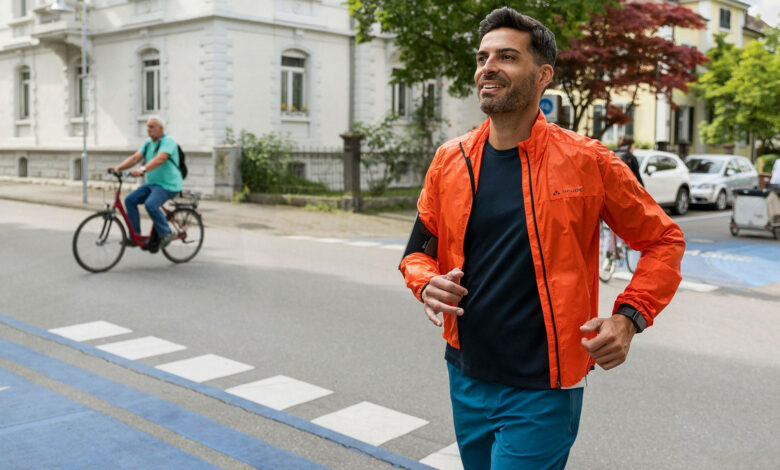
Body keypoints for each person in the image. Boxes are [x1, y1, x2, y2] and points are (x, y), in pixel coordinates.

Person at [399, 7, 685, 469]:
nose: (487, 67)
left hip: (545, 389)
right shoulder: (450, 159)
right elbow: (418, 250)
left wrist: (629, 318)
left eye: (507, 57)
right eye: (482, 56)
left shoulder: (589, 161)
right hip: (465, 374)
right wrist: (424, 282)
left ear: (543, 75)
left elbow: (664, 241)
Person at [109, 116, 182, 250]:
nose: (148, 129)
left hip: (168, 185)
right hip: (152, 184)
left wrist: (143, 169)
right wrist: (118, 167)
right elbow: (136, 157)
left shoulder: (168, 141)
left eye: (151, 127)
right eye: (147, 127)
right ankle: (135, 235)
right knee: (130, 200)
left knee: (151, 204)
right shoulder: (148, 142)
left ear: (161, 128)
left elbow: (160, 159)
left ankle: (166, 232)